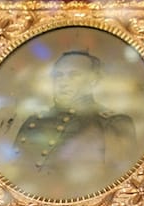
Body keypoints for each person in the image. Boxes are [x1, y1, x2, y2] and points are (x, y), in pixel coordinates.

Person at [11, 50, 137, 197]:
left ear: (93, 80)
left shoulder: (111, 123)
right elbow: (14, 172)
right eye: (58, 75)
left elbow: (117, 181)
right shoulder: (34, 121)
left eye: (74, 75)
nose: (63, 82)